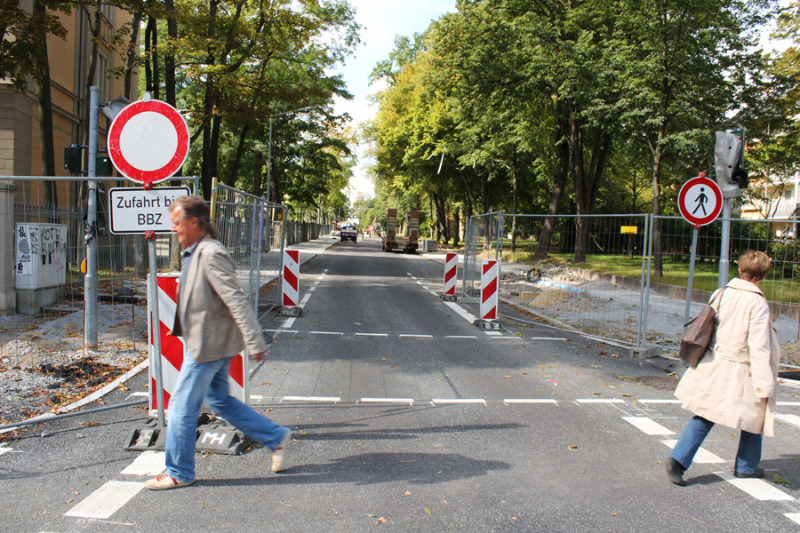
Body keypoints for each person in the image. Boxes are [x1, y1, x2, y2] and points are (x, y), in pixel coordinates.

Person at [145, 195, 291, 491]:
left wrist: (255, 340)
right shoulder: (194, 251)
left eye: (177, 223)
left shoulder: (210, 253)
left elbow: (235, 299)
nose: (174, 229)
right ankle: (275, 437)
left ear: (194, 222)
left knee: (181, 408)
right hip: (206, 342)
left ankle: (178, 471)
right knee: (219, 401)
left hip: (208, 347)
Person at [666, 250, 780, 486]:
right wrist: (765, 381)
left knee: (706, 414)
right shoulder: (757, 302)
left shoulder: (722, 293)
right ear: (765, 274)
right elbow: (758, 346)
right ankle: (746, 466)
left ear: (740, 270)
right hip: (742, 368)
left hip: (715, 361)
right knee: (755, 415)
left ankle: (678, 458)